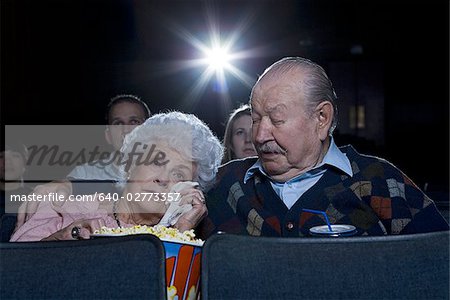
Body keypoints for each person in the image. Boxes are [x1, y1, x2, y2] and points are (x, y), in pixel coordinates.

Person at [197, 56, 449, 238]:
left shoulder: (382, 183)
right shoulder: (222, 183)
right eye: (255, 119)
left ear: (321, 119)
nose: (260, 135)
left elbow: (439, 264)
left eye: (277, 120)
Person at [10, 111, 223, 241]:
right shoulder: (63, 207)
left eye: (179, 174)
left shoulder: (182, 233)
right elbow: (13, 269)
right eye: (156, 161)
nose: (163, 179)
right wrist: (59, 241)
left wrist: (180, 232)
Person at [14, 94, 151, 230]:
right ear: (108, 136)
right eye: (118, 123)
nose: (126, 130)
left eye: (134, 122)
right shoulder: (84, 173)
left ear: (150, 130)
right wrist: (64, 185)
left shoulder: (168, 174)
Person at [0, 142, 33, 216]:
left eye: (14, 156)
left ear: (25, 164)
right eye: (1, 156)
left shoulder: (38, 198)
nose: (7, 161)